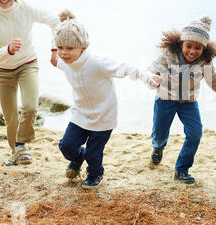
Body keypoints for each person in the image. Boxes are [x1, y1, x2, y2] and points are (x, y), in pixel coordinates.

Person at [53, 10, 161, 190]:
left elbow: (126, 67)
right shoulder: (64, 61)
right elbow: (55, 59)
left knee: (94, 155)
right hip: (80, 114)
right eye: (60, 47)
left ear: (83, 47)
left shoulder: (98, 63)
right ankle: (78, 158)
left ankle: (95, 174)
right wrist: (56, 39)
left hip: (103, 116)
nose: (64, 53)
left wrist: (148, 77)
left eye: (70, 48)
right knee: (66, 146)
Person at [0, 0, 60, 166]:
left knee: (30, 107)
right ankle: (16, 151)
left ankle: (21, 143)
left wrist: (54, 49)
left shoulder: (26, 8)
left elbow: (55, 21)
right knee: (10, 118)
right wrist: (6, 50)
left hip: (27, 64)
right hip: (4, 71)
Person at [148, 16, 216, 184]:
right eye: (189, 46)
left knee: (195, 133)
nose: (192, 51)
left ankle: (181, 170)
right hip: (165, 99)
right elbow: (153, 69)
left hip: (188, 103)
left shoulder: (204, 63)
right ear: (181, 43)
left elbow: (215, 83)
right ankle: (158, 148)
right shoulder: (169, 55)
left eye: (198, 48)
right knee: (159, 135)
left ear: (204, 48)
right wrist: (152, 79)